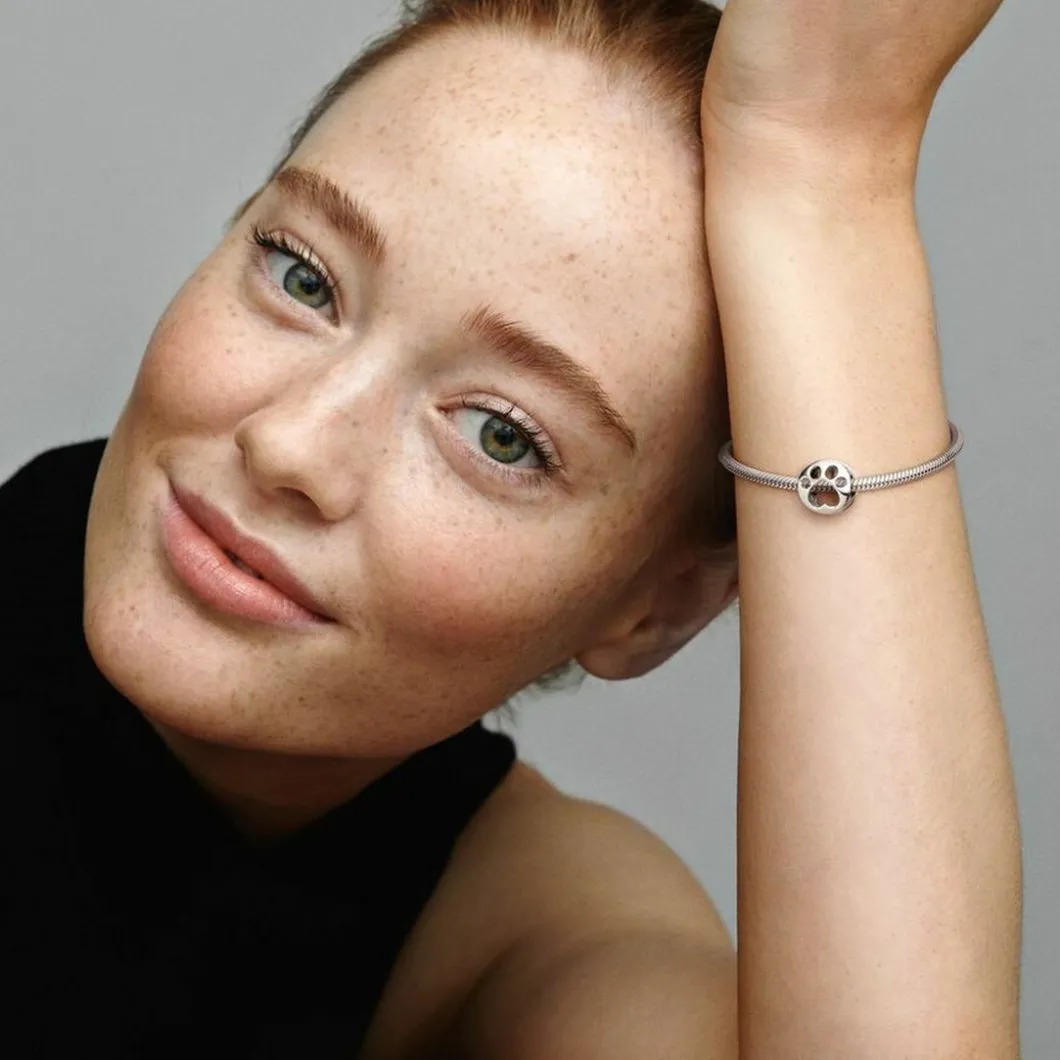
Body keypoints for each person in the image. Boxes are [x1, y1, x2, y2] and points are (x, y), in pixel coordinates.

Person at [1, 0, 1022, 1056]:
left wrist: (823, 177)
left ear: (660, 609)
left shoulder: (517, 929)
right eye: (303, 276)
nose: (291, 446)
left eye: (500, 436)